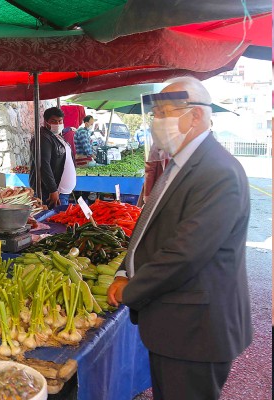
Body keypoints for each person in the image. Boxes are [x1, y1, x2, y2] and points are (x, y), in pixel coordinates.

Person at [107, 77, 252, 400]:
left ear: (196, 116)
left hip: (197, 331)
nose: (158, 122)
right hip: (176, 327)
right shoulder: (180, 164)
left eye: (166, 112)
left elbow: (186, 253)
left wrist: (132, 288)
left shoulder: (218, 172)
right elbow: (148, 230)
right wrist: (123, 271)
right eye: (156, 114)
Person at [30, 107, 75, 208]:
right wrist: (53, 190)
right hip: (52, 194)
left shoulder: (57, 136)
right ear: (46, 122)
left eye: (60, 121)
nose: (58, 124)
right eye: (53, 121)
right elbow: (43, 164)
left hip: (62, 193)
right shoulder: (43, 137)